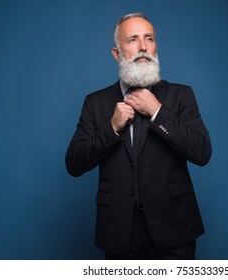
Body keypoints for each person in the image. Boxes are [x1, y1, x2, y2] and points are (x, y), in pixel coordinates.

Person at [65, 12, 212, 260]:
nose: (143, 46)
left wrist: (157, 111)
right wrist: (111, 128)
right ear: (116, 53)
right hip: (119, 235)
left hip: (174, 231)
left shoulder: (181, 95)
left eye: (149, 39)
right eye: (133, 39)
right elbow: (74, 164)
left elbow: (202, 152)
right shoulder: (96, 103)